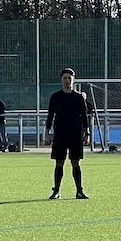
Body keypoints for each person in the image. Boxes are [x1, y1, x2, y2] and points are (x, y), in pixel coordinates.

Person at [44, 67, 91, 199]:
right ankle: (56, 191)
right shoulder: (55, 97)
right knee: (59, 162)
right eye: (64, 78)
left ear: (73, 80)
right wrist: (47, 133)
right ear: (61, 80)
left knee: (75, 162)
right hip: (60, 133)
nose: (67, 80)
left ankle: (79, 191)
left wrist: (87, 133)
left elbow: (84, 116)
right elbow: (50, 115)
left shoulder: (79, 97)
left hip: (75, 134)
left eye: (69, 78)